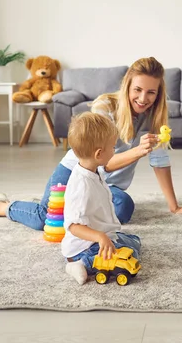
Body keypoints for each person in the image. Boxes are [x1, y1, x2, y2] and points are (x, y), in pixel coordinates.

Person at [0, 57, 182, 228]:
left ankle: (63, 205)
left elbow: (160, 161)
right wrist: (136, 152)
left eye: (151, 92)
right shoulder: (105, 107)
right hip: (75, 172)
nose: (143, 99)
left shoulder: (154, 115)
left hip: (106, 186)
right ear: (127, 85)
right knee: (47, 219)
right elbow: (100, 162)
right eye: (138, 90)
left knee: (123, 208)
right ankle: (0, 206)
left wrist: (174, 206)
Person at [61, 112, 141, 285]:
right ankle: (79, 264)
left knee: (134, 243)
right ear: (98, 154)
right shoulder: (81, 186)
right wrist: (100, 237)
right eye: (113, 147)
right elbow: (73, 226)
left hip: (102, 235)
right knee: (128, 254)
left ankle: (106, 245)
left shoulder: (93, 170)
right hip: (83, 246)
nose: (115, 150)